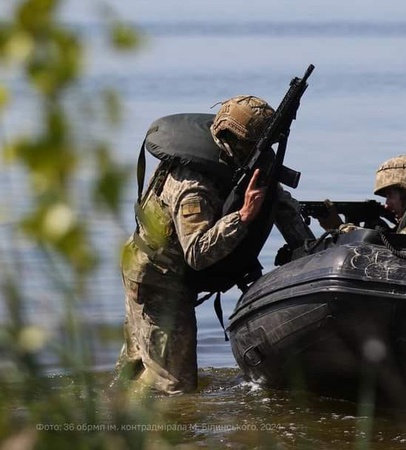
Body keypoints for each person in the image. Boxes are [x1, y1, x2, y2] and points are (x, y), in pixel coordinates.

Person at [115, 95, 312, 395]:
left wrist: (311, 247)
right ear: (234, 140)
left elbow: (280, 204)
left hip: (153, 268)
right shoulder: (193, 187)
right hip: (156, 279)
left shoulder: (237, 163)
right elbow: (197, 253)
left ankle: (111, 413)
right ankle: (149, 421)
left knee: (140, 368)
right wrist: (243, 217)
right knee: (174, 387)